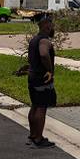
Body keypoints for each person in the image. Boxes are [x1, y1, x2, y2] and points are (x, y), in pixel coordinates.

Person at [27, 13, 57, 148]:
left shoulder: (34, 39)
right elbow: (44, 53)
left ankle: (33, 134)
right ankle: (39, 138)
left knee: (34, 106)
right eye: (51, 24)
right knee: (41, 108)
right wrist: (50, 70)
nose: (53, 27)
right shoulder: (44, 40)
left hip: (32, 77)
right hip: (42, 79)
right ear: (46, 25)